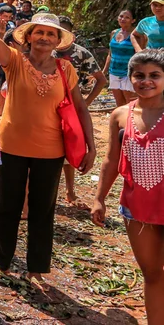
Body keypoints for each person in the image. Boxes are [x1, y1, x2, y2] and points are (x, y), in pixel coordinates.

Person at [0, 12, 96, 289]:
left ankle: (36, 269)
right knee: (7, 207)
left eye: (51, 34)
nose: (45, 38)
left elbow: (80, 106)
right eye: (40, 32)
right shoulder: (14, 61)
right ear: (29, 36)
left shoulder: (65, 69)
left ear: (58, 40)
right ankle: (3, 264)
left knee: (42, 211)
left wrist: (91, 145)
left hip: (51, 149)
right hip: (10, 147)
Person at [91, 49, 164, 325]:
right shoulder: (121, 115)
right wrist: (99, 198)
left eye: (155, 75)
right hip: (136, 207)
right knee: (152, 273)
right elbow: (111, 159)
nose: (146, 81)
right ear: (130, 78)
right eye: (139, 75)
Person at [54, 16, 109, 207]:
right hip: (48, 108)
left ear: (71, 35)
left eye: (63, 31)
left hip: (70, 109)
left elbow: (101, 79)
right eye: (56, 31)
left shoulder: (81, 53)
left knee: (69, 149)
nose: (59, 36)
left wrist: (85, 103)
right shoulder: (45, 51)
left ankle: (69, 190)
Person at [104, 9, 138, 107]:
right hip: (114, 72)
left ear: (133, 20)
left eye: (127, 17)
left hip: (128, 73)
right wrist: (104, 72)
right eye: (121, 16)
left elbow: (140, 54)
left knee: (130, 103)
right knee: (119, 103)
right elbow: (110, 54)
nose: (123, 19)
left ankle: (131, 122)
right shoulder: (114, 33)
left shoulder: (136, 35)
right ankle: (122, 122)